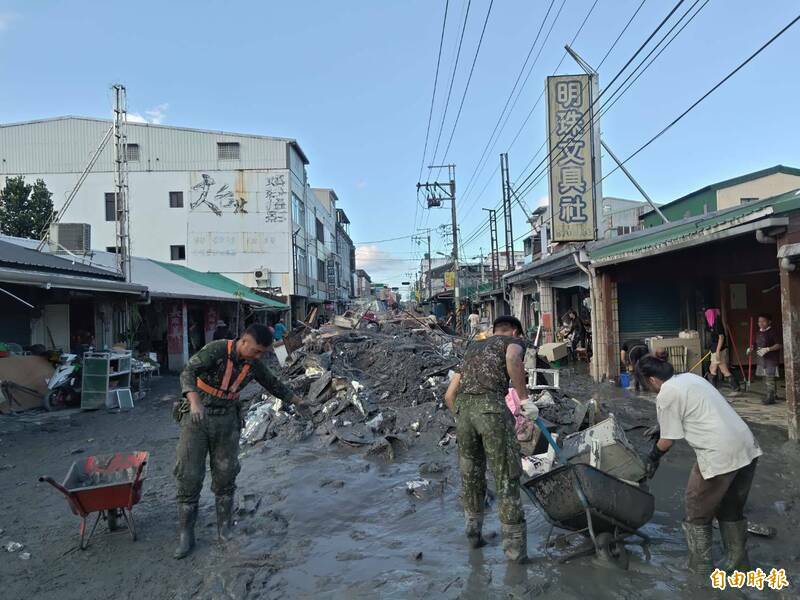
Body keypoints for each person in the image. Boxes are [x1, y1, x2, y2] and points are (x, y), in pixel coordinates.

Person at [173, 323, 309, 559]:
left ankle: (224, 529)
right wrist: (194, 401)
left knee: (226, 474)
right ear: (244, 341)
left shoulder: (254, 363)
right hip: (197, 418)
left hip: (227, 420)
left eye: (262, 353)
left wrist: (297, 400)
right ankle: (186, 535)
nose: (258, 356)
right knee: (189, 473)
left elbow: (273, 383)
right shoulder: (215, 350)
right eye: (255, 350)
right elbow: (188, 372)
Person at [636, 355, 762, 576]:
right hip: (747, 447)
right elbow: (695, 408)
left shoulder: (666, 393)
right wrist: (662, 425)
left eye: (646, 383)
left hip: (719, 454)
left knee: (696, 509)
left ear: (652, 379)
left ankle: (700, 567)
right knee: (730, 509)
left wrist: (652, 457)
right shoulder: (690, 378)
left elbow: (668, 441)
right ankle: (738, 562)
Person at [444, 315, 531, 563]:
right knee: (506, 477)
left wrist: (464, 416)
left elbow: (449, 395)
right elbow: (514, 358)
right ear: (515, 332)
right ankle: (515, 555)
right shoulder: (512, 342)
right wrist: (524, 399)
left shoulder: (473, 348)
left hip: (463, 413)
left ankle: (474, 538)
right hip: (491, 410)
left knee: (471, 477)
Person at [748, 313, 781, 405]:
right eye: (759, 321)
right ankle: (772, 394)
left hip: (771, 359)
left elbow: (779, 345)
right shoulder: (758, 332)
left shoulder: (773, 332)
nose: (761, 323)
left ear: (769, 322)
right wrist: (750, 348)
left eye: (763, 321)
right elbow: (754, 344)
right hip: (761, 359)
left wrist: (768, 349)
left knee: (770, 378)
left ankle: (770, 398)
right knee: (765, 378)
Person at [704, 308, 739, 393]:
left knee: (717, 369)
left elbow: (721, 337)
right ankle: (735, 386)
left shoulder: (717, 324)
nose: (707, 317)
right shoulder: (712, 324)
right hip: (715, 349)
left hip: (718, 349)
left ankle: (713, 388)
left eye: (708, 315)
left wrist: (718, 351)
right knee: (718, 368)